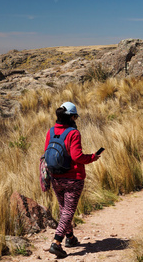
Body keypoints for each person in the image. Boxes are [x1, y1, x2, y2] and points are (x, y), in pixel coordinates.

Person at [44, 102, 101, 258]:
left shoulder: (50, 131)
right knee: (68, 211)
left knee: (64, 209)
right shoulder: (73, 133)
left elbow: (46, 153)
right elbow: (77, 156)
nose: (76, 119)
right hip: (73, 179)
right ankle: (56, 242)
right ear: (71, 117)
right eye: (75, 116)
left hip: (55, 177)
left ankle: (70, 238)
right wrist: (92, 158)